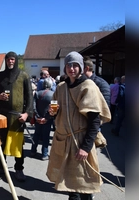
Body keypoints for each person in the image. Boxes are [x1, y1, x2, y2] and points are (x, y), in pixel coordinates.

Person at [46, 51, 111, 200]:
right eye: (69, 65)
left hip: (81, 142)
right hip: (64, 142)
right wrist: (51, 113)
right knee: (71, 186)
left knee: (84, 185)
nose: (72, 68)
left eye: (75, 65)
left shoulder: (88, 86)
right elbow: (55, 108)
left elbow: (94, 121)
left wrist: (85, 147)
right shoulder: (61, 87)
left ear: (81, 67)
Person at [0, 51, 33, 182]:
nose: (10, 61)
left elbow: (29, 97)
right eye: (8, 59)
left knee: (17, 145)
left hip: (18, 117)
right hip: (2, 116)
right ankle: (0, 167)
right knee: (0, 143)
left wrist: (27, 114)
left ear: (16, 60)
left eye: (13, 59)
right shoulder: (0, 76)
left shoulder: (24, 76)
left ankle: (19, 169)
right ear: (6, 60)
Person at [31, 78, 54, 161]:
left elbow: (33, 107)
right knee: (46, 136)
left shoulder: (37, 93)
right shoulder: (53, 94)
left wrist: (37, 117)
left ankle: (33, 151)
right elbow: (53, 109)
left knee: (36, 135)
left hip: (38, 118)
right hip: (48, 119)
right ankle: (44, 154)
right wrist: (47, 118)